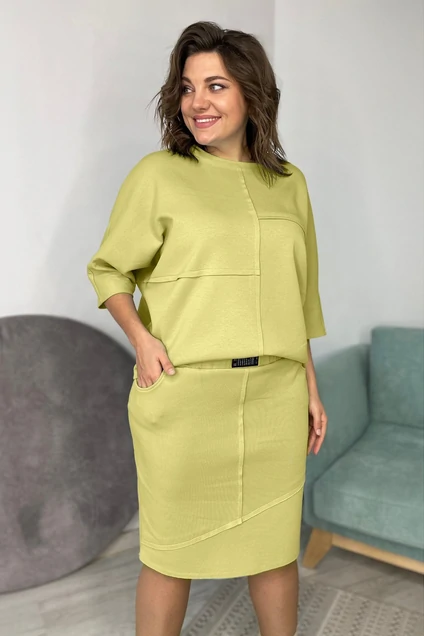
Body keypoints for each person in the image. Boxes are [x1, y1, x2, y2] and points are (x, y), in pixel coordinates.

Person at [87, 20, 328, 636]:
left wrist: (310, 387)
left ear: (252, 92)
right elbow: (109, 269)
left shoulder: (290, 184)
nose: (198, 101)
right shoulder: (158, 174)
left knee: (275, 549)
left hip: (274, 398)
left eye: (216, 85)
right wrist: (142, 341)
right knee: (170, 555)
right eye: (188, 87)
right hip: (186, 400)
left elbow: (299, 299)